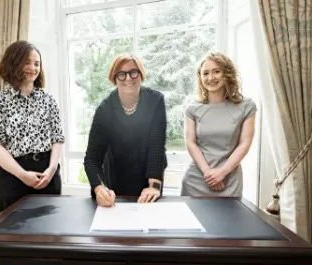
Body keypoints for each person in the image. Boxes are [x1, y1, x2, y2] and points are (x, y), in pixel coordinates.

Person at [0, 40, 63, 265]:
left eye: (37, 63)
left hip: (47, 173)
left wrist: (52, 168)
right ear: (14, 63)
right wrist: (22, 174)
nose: (33, 68)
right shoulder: (0, 101)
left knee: (48, 239)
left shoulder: (48, 99)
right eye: (28, 61)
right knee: (17, 242)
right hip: (13, 175)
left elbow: (57, 138)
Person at [84, 53, 167, 207]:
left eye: (133, 72)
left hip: (149, 179)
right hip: (116, 180)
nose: (128, 78)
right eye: (121, 74)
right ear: (114, 79)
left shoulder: (155, 100)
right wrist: (99, 188)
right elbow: (92, 159)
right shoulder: (104, 110)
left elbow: (156, 146)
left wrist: (154, 187)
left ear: (141, 75)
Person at [181, 52, 256, 197]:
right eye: (205, 73)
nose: (210, 78)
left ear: (227, 74)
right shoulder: (192, 108)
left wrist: (222, 172)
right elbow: (191, 143)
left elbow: (245, 143)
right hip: (197, 180)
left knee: (228, 220)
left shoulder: (247, 106)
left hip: (229, 180)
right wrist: (209, 174)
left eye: (216, 71)